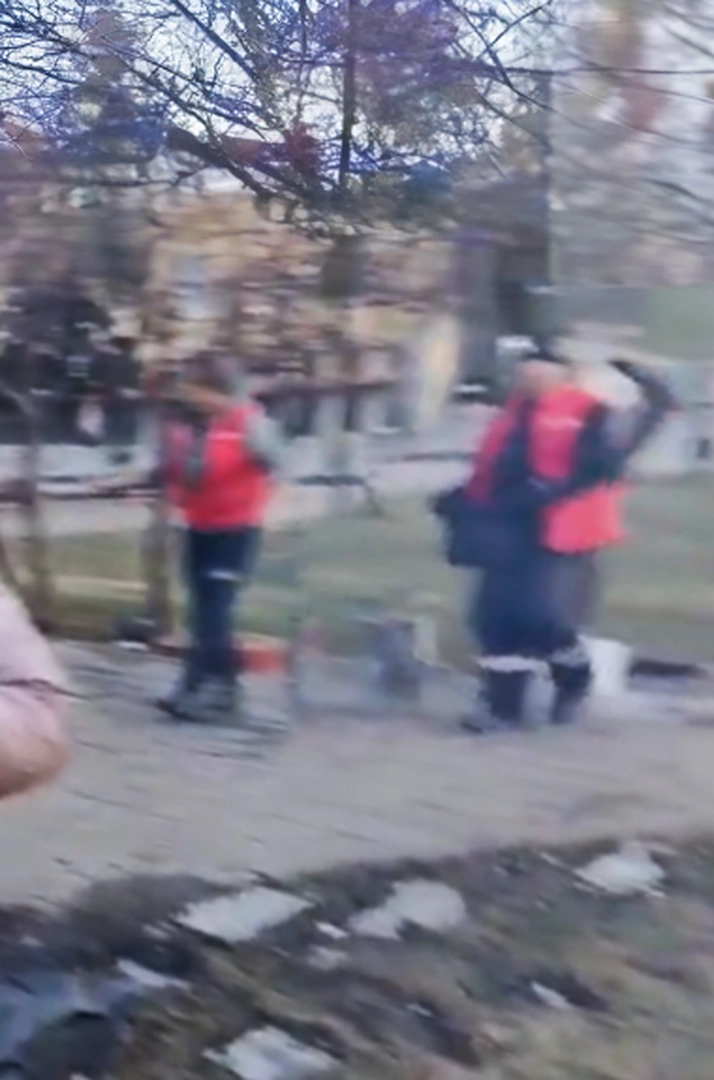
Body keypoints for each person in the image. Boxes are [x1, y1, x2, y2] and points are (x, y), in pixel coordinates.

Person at [434, 345, 675, 733]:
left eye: (541, 373)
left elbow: (613, 455)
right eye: (525, 373)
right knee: (494, 618)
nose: (531, 380)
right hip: (506, 529)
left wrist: (650, 390)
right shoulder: (513, 414)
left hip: (562, 532)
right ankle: (502, 708)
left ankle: (573, 683)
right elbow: (494, 469)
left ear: (565, 376)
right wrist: (461, 499)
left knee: (542, 619)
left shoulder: (589, 412)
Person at [157, 351, 283, 724]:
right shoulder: (197, 425)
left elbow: (276, 465)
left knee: (216, 610)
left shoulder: (250, 423)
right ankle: (196, 680)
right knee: (200, 609)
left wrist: (256, 498)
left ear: (216, 390)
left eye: (194, 390)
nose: (189, 398)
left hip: (234, 530)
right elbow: (181, 469)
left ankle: (222, 690)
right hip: (199, 525)